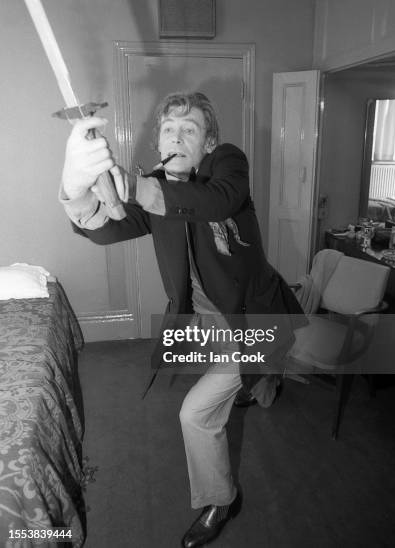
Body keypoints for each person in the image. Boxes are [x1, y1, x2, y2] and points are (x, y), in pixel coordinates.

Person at [60, 92, 304, 547]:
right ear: (158, 142)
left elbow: (215, 202)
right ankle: (266, 381)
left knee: (195, 413)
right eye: (169, 129)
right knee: (255, 384)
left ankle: (221, 500)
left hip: (257, 320)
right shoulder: (157, 188)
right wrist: (78, 191)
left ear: (208, 142)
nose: (177, 136)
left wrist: (135, 188)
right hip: (207, 325)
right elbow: (110, 226)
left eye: (189, 129)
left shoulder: (228, 165)